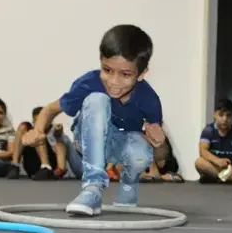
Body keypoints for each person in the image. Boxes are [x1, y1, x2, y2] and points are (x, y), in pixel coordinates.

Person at [23, 24, 168, 216]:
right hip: (87, 139)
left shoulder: (149, 99)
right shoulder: (89, 83)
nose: (114, 82)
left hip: (118, 146)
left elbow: (159, 151)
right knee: (96, 99)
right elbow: (50, 109)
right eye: (107, 70)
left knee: (140, 150)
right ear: (101, 61)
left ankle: (128, 186)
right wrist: (38, 130)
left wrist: (160, 141)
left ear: (141, 74)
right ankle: (92, 187)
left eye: (125, 74)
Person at [7, 106, 68, 180]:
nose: (40, 124)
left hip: (51, 167)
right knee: (24, 126)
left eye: (42, 121)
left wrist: (58, 131)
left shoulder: (53, 132)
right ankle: (15, 165)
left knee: (58, 142)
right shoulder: (30, 131)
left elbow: (58, 131)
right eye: (37, 121)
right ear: (33, 121)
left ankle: (48, 168)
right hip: (32, 165)